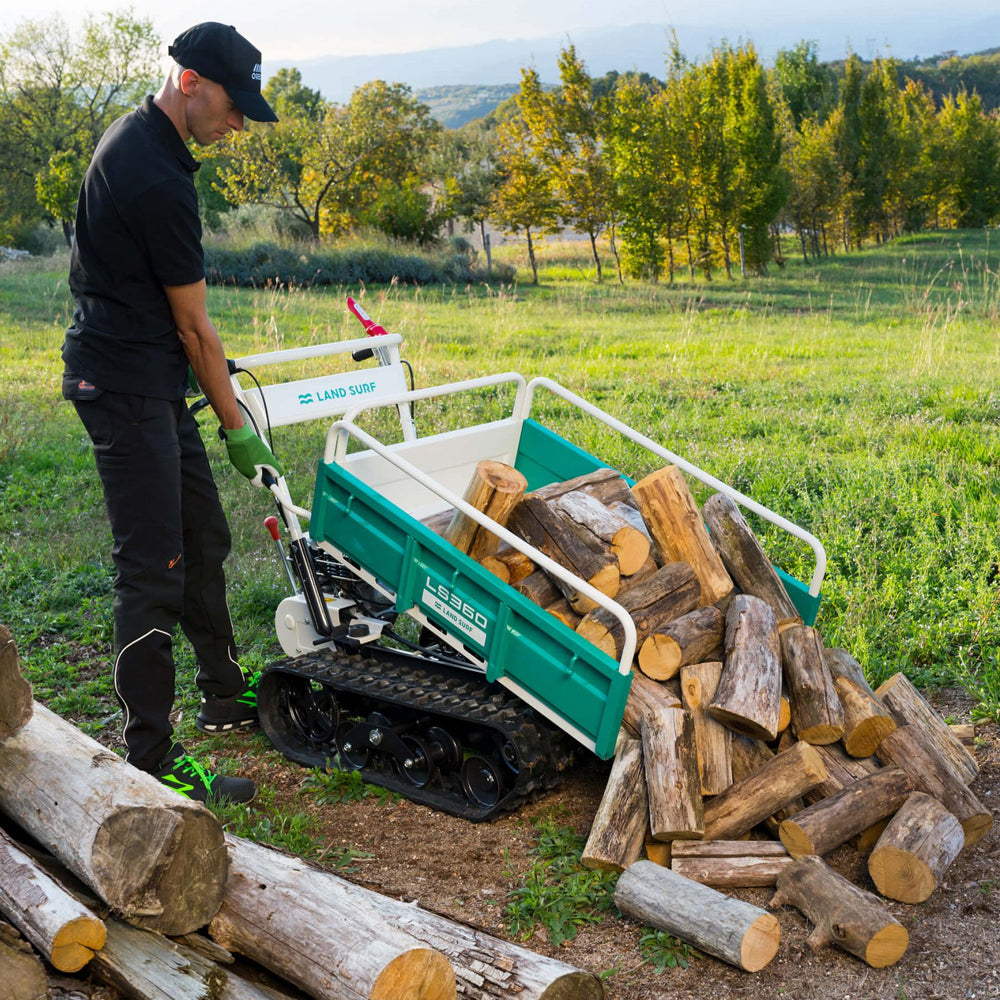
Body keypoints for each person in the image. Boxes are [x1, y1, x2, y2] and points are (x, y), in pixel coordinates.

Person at [61, 23, 283, 804]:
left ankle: (224, 691)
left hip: (150, 381)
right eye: (233, 106)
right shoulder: (154, 175)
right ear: (190, 82)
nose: (238, 124)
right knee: (153, 567)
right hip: (121, 386)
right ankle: (150, 756)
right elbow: (196, 329)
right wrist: (236, 429)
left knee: (203, 535)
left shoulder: (145, 141)